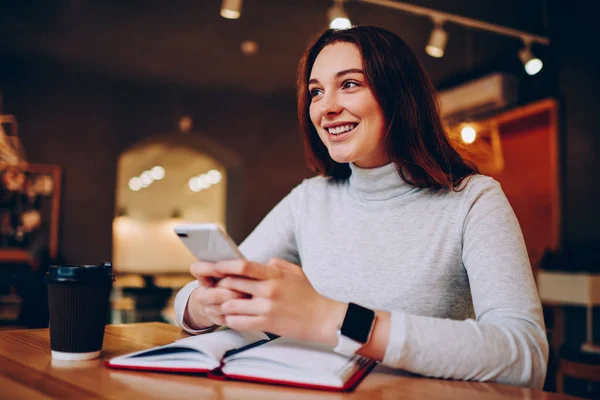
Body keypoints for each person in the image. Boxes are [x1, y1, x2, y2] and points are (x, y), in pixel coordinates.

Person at [174, 26, 548, 388]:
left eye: (349, 84)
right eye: (316, 92)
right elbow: (187, 301)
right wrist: (208, 305)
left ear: (399, 96)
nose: (327, 108)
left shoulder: (473, 200)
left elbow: (526, 356)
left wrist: (331, 318)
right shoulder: (310, 199)